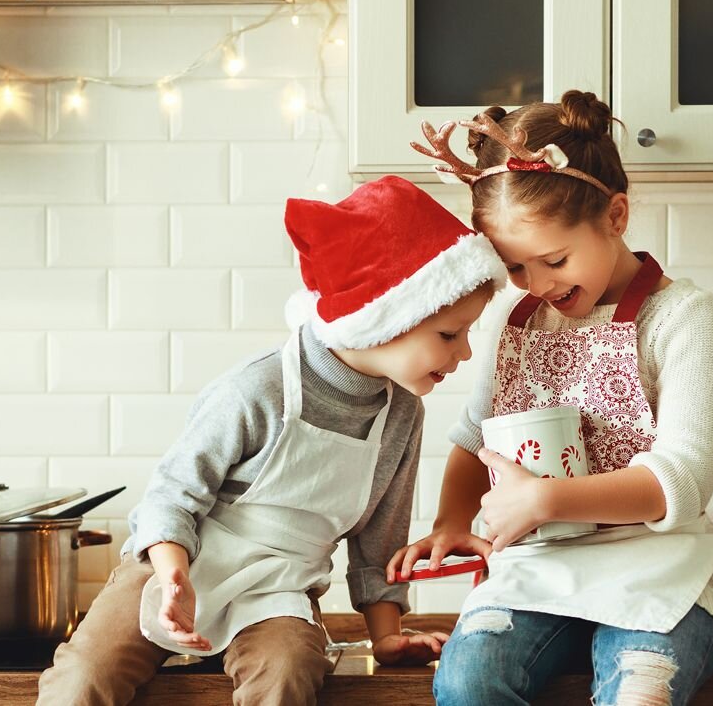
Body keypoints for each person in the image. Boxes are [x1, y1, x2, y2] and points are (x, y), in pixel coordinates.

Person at [38, 175, 506, 705]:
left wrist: (386, 635)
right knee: (84, 677)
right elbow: (172, 495)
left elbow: (379, 542)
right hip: (173, 567)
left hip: (277, 595)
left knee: (287, 671)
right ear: (383, 319)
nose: (465, 354)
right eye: (448, 334)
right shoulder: (257, 390)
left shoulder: (402, 414)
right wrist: (172, 579)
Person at [398, 91, 713, 706]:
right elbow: (475, 437)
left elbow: (680, 482)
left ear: (615, 216)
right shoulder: (515, 319)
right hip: (539, 574)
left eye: (554, 259)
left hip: (662, 569)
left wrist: (545, 498)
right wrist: (451, 523)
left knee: (642, 688)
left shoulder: (683, 318)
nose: (540, 285)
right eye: (518, 268)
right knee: (469, 684)